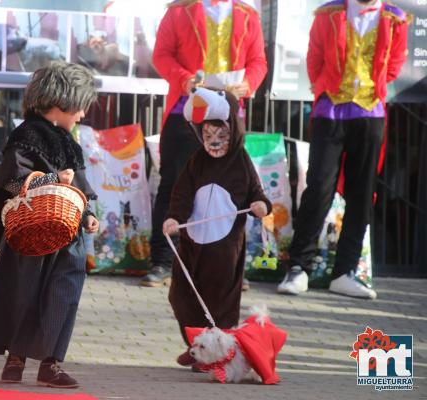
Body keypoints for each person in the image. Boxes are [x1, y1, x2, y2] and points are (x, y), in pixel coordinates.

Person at [0, 62, 99, 388]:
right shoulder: (25, 136)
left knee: (63, 295)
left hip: (67, 235)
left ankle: (51, 363)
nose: (83, 115)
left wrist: (87, 214)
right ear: (60, 102)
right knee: (24, 294)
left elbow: (81, 187)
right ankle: (15, 358)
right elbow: (12, 184)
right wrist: (51, 179)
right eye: (81, 107)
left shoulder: (70, 142)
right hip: (31, 232)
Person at [277, 0, 409, 299]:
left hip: (370, 111)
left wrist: (369, 88)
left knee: (362, 192)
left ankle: (345, 271)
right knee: (319, 187)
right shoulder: (329, 13)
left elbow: (394, 64)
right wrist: (325, 86)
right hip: (330, 110)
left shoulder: (395, 19)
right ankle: (298, 267)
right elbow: (315, 58)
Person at [141, 0, 268, 288]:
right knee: (173, 183)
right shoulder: (178, 11)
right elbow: (162, 55)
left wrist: (247, 84)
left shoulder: (248, 16)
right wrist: (185, 80)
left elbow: (258, 61)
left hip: (229, 112)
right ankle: (162, 261)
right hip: (185, 110)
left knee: (229, 188)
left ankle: (227, 265)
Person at [163, 88, 271, 368]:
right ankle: (197, 345)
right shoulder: (196, 161)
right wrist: (174, 217)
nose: (214, 143)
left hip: (225, 246)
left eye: (220, 136)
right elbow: (182, 193)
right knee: (181, 295)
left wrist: (261, 205)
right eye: (207, 136)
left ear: (232, 131)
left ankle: (217, 355)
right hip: (191, 241)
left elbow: (257, 193)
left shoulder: (242, 161)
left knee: (219, 301)